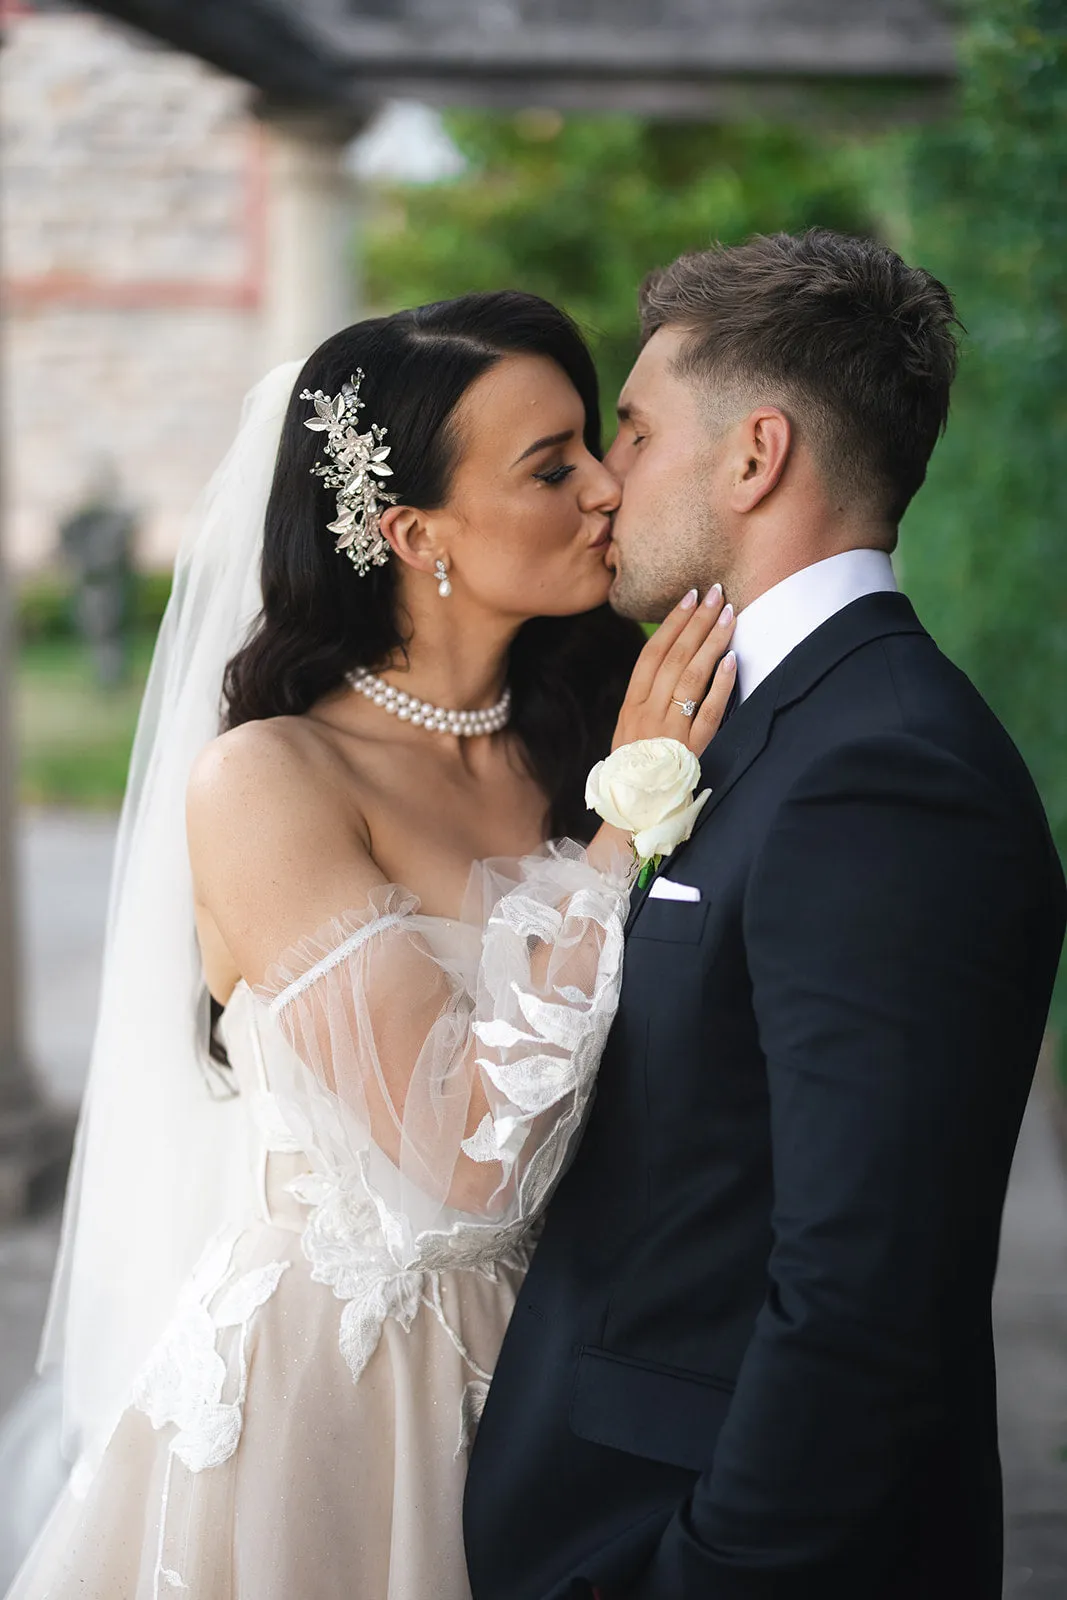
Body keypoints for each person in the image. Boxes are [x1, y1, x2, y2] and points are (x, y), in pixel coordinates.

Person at [4, 292, 738, 1600]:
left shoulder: (590, 731)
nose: (607, 489)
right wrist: (624, 828)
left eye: (595, 445)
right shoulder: (271, 782)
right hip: (341, 1400)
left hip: (582, 1361)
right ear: (412, 533)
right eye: (549, 464)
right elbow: (459, 1156)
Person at [464, 231, 1067, 1600]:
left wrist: (700, 1575)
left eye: (632, 429)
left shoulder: (886, 771)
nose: (605, 482)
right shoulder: (763, 719)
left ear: (754, 456)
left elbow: (861, 1295)